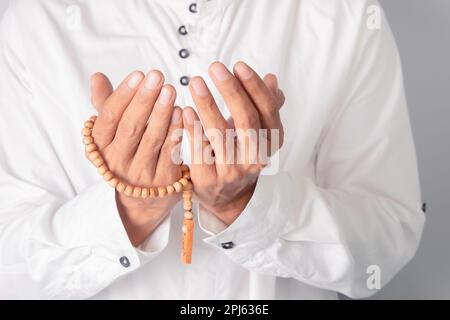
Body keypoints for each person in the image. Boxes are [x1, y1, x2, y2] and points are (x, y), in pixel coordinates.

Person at [0, 0, 425, 299]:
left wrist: (250, 206)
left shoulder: (344, 15)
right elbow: (9, 273)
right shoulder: (33, 21)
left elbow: (385, 249)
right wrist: (130, 209)